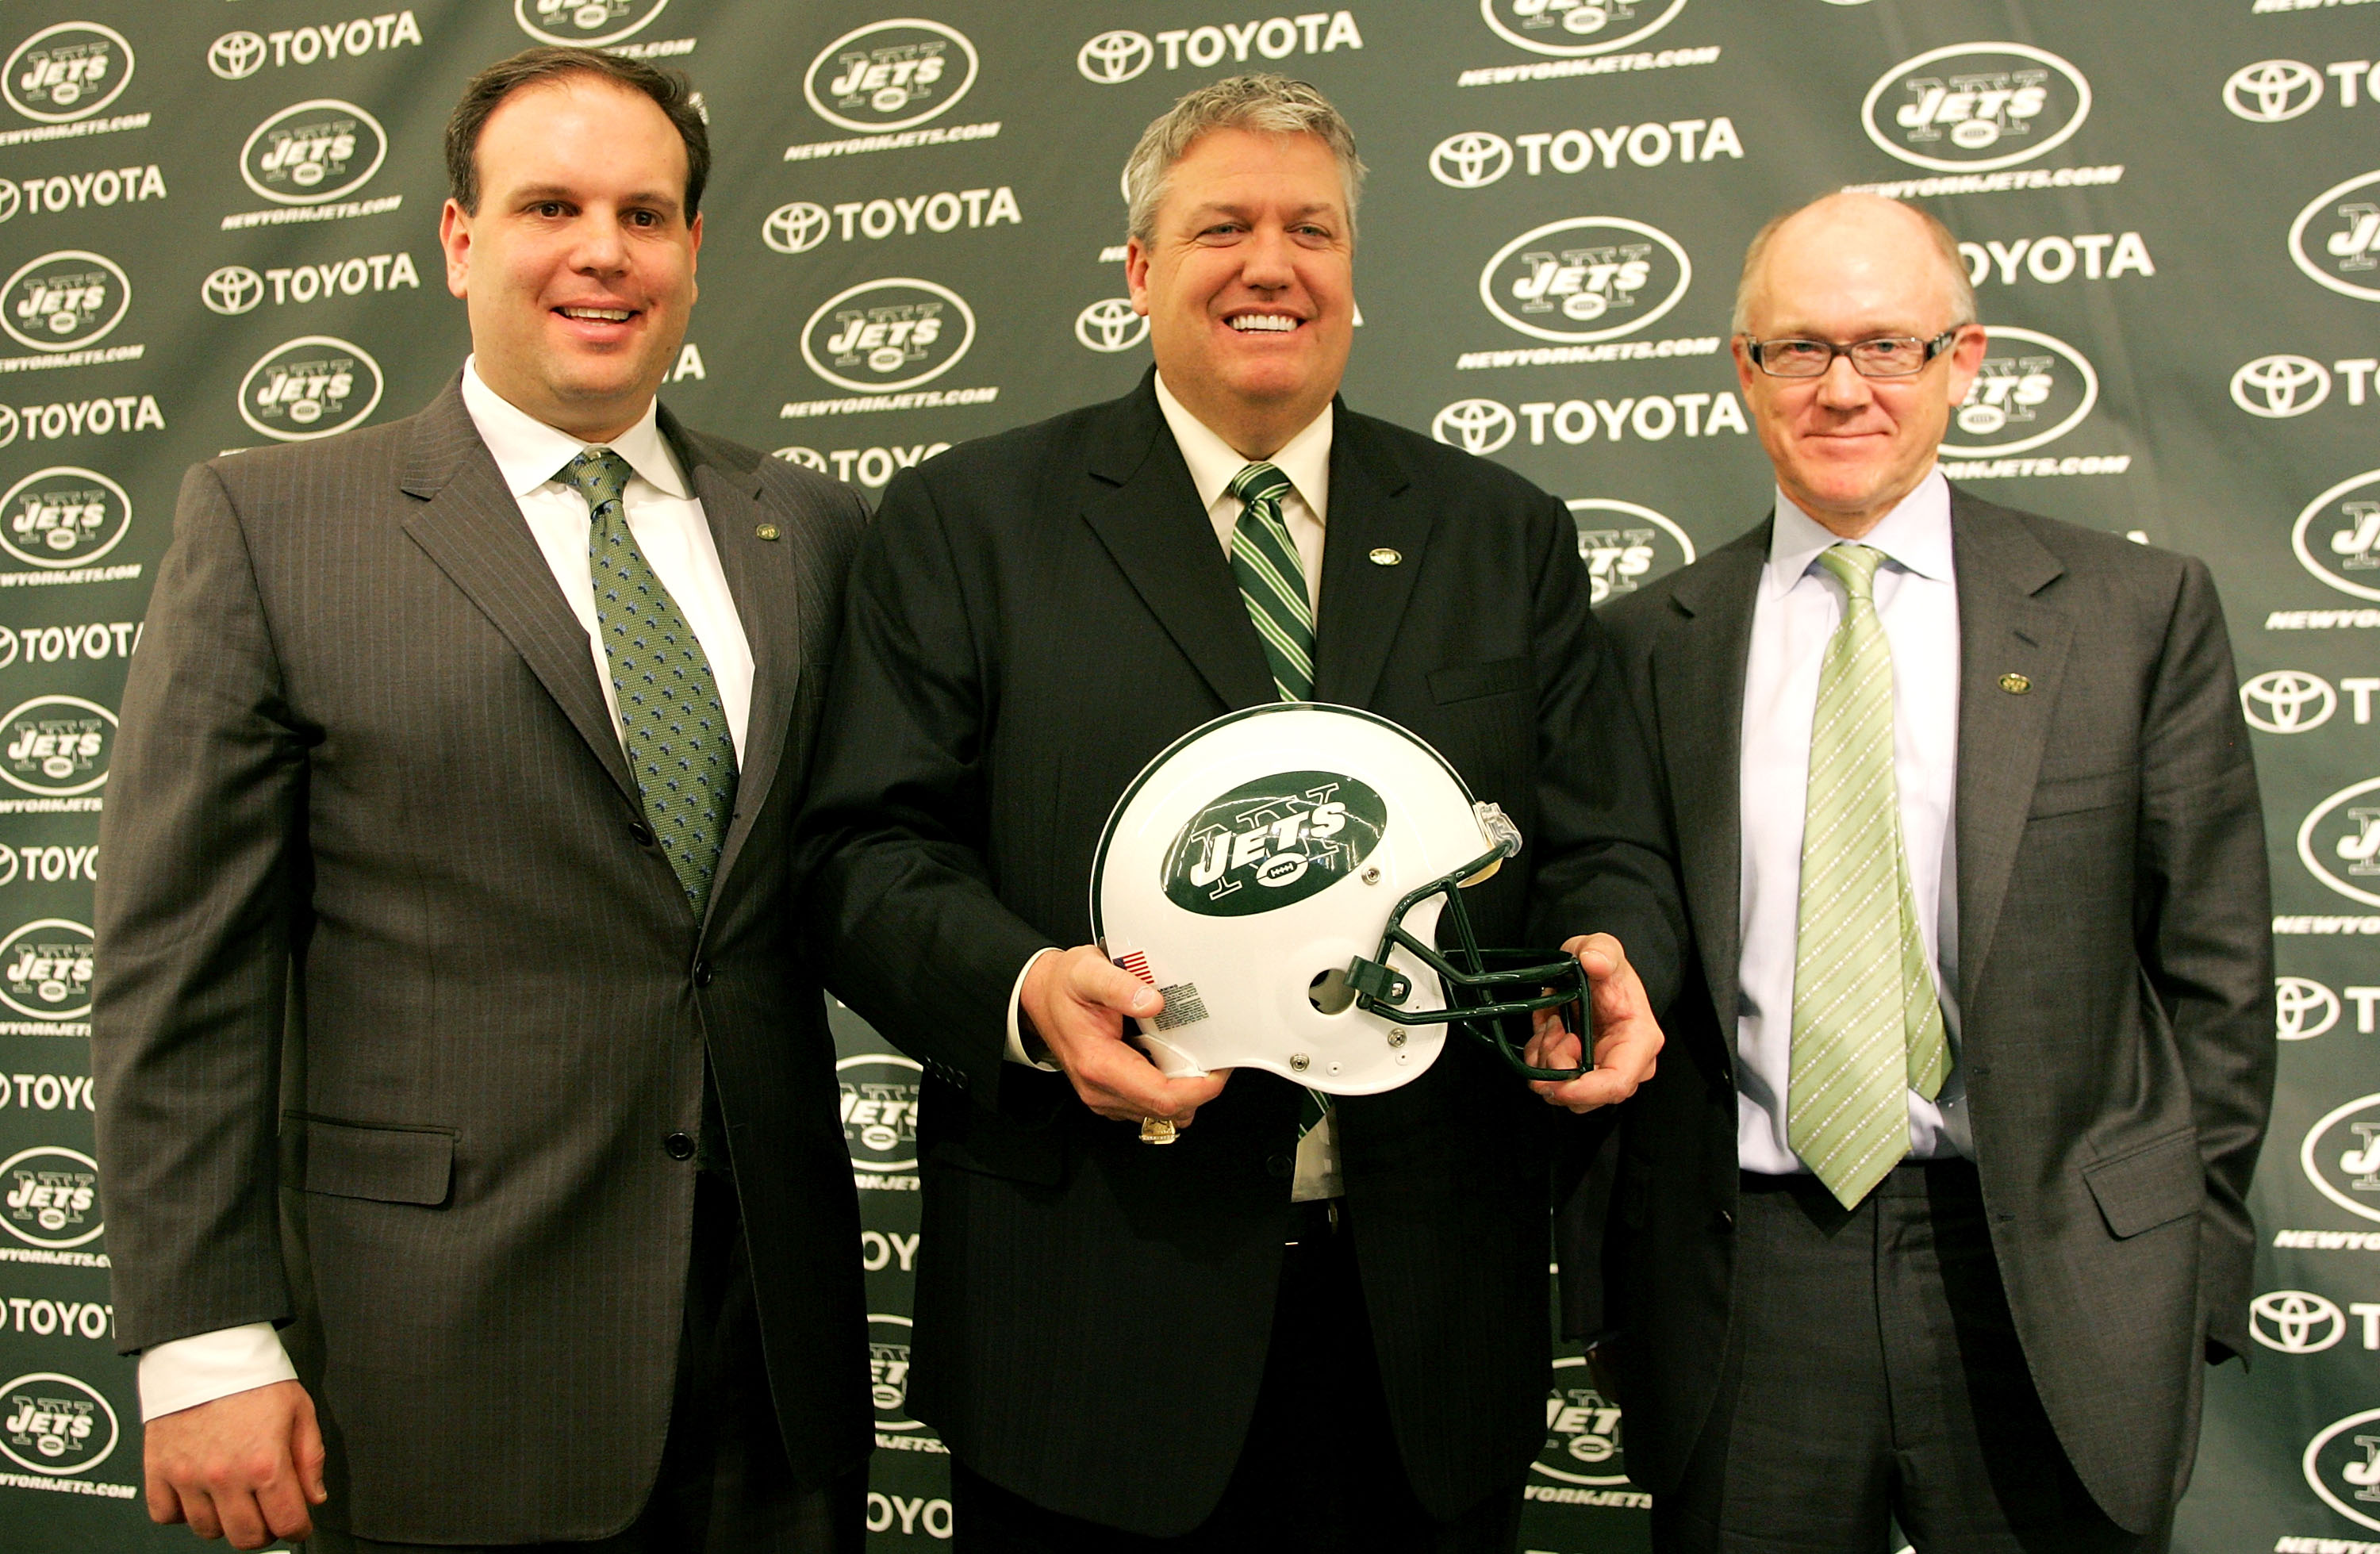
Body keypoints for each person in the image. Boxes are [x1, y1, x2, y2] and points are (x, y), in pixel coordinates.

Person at [793, 74, 1683, 1552]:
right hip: (1086, 1318)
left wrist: (1617, 961)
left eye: (1311, 231)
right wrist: (1023, 993)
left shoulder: (1496, 531)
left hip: (1419, 1324)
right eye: (1222, 228)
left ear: (1351, 274)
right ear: (1141, 272)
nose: (1272, 265)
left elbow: (1601, 846)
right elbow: (861, 853)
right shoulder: (969, 523)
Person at [90, 48, 869, 1552]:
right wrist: (202, 1338)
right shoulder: (272, 525)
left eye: (645, 214)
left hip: (775, 1369)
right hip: (442, 1359)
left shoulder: (813, 526)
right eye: (549, 205)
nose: (602, 250)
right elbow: (177, 968)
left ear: (695, 254)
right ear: (458, 242)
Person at [1581, 191, 2275, 1552]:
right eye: (1800, 350)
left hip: (2048, 1279)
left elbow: (2218, 981)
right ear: (1745, 371)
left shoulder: (2136, 618)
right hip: (1749, 1283)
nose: (1843, 389)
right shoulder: (1645, 645)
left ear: (1965, 360)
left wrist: (2189, 1267)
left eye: (1887, 346)